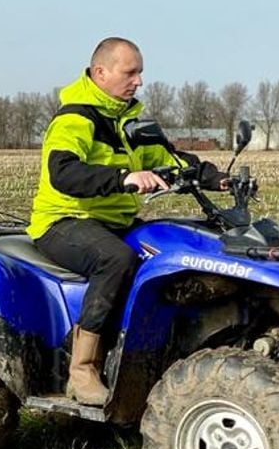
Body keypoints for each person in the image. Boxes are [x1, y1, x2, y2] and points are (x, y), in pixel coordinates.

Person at [27, 37, 228, 406]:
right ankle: (82, 371)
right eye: (130, 72)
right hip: (64, 221)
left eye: (140, 73)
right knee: (115, 259)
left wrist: (216, 178)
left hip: (114, 221)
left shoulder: (131, 120)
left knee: (177, 246)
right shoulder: (75, 118)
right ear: (101, 72)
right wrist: (124, 178)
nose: (139, 81)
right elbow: (64, 172)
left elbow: (169, 160)